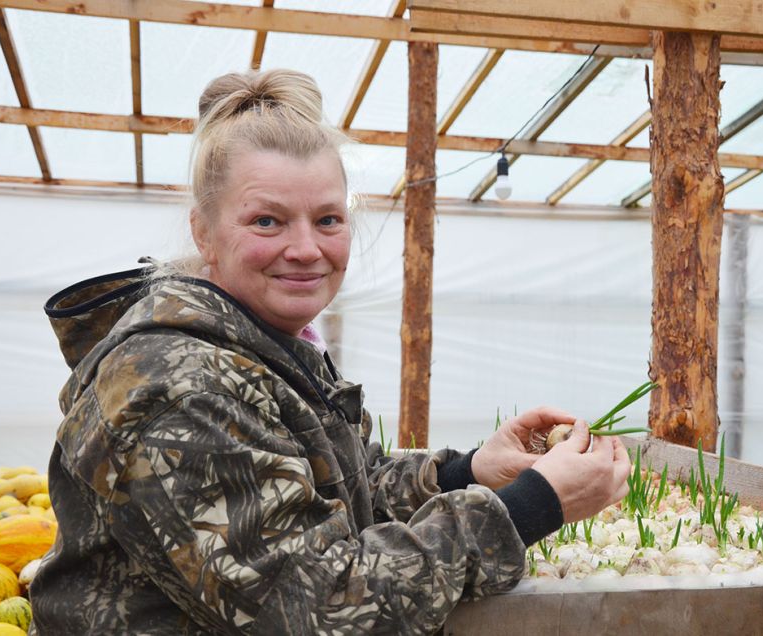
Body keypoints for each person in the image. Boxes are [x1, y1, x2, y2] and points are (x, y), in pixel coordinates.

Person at [32, 69, 632, 634]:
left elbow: (335, 489)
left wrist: (466, 471)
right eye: (266, 221)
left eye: (327, 219)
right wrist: (530, 507)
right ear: (203, 233)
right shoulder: (173, 386)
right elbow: (312, 602)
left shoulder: (263, 346)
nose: (305, 248)